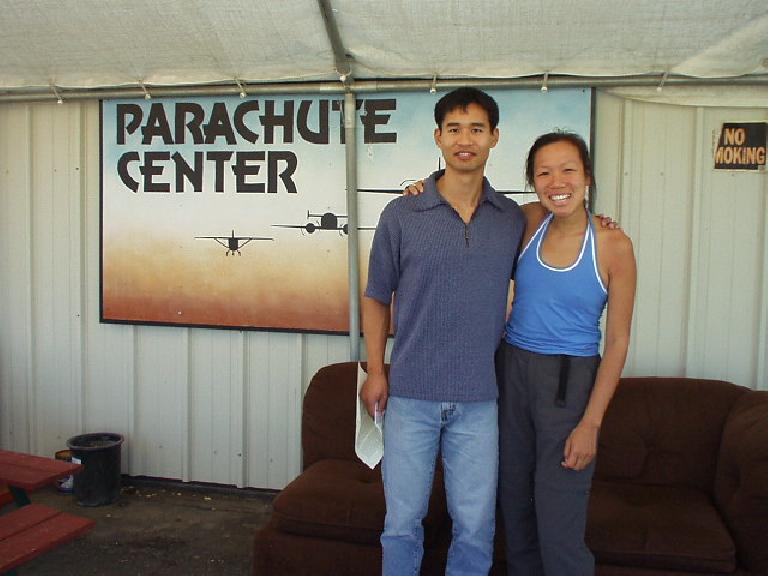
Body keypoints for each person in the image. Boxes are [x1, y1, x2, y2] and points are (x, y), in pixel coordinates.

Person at [360, 87, 526, 576]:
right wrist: (375, 371)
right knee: (401, 523)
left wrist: (599, 222)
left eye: (477, 128)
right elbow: (375, 297)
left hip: (479, 399)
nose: (465, 139)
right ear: (438, 137)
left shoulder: (511, 218)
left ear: (494, 137)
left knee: (475, 526)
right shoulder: (402, 214)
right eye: (454, 128)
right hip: (410, 395)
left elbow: (562, 225)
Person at [498, 131, 636, 576]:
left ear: (588, 177)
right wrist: (423, 186)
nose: (557, 181)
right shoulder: (529, 221)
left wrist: (591, 424)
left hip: (569, 383)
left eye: (568, 170)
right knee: (514, 507)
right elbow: (468, 203)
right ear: (533, 181)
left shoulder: (613, 244)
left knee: (559, 522)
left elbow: (616, 342)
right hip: (512, 371)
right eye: (544, 172)